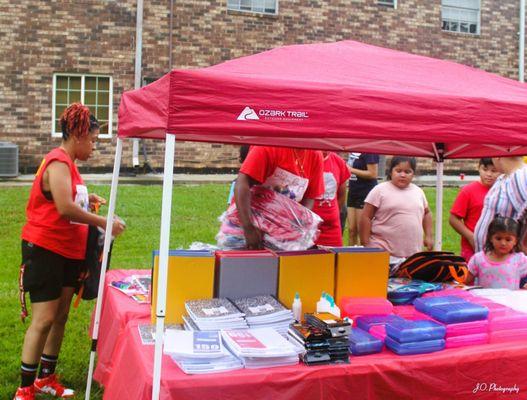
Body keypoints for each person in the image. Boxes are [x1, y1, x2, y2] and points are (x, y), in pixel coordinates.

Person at [14, 103, 125, 400]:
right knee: (45, 318)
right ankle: (24, 388)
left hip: (67, 251)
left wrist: (91, 201)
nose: (93, 147)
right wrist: (105, 221)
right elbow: (64, 208)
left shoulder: (70, 165)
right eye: (92, 140)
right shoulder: (58, 163)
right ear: (77, 135)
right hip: (47, 249)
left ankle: (46, 378)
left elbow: (71, 200)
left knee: (61, 315)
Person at [234, 145, 324, 250]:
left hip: (284, 236)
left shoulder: (315, 155)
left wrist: (299, 228)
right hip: (248, 229)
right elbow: (242, 182)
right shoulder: (268, 146)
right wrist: (248, 227)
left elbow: (309, 197)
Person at [359, 156, 433, 270]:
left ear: (413, 174)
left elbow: (427, 213)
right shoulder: (380, 190)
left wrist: (428, 236)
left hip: (412, 255)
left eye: (407, 172)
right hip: (383, 252)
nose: (403, 175)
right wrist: (365, 242)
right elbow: (366, 216)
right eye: (398, 171)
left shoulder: (418, 192)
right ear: (391, 172)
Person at [449, 158, 499, 261]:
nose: (489, 174)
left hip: (498, 248)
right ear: (478, 168)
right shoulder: (468, 191)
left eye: (494, 171)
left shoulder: (503, 191)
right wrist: (470, 237)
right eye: (485, 169)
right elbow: (453, 219)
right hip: (471, 248)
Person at [474, 156, 527, 253]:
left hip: (508, 262)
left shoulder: (521, 177)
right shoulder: (503, 177)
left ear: (498, 155)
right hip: (490, 260)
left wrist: (523, 249)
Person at [467, 216, 527, 289]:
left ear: (515, 241)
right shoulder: (479, 259)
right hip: (485, 300)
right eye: (498, 238)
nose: (503, 243)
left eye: (508, 240)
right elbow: (465, 280)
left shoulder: (520, 260)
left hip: (509, 300)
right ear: (490, 238)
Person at [313, 152, 351, 246]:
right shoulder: (310, 158)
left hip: (332, 229)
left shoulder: (338, 162)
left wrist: (332, 214)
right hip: (308, 228)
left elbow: (341, 195)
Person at [346, 153, 379, 245]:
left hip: (365, 193)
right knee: (351, 230)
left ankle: (363, 256)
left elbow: (373, 174)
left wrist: (351, 170)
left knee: (362, 231)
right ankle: (349, 257)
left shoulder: (369, 151)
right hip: (353, 192)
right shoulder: (353, 150)